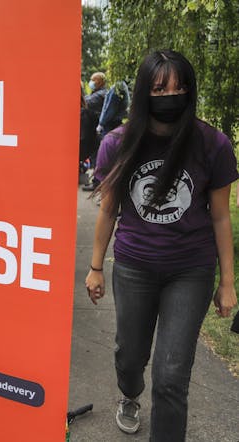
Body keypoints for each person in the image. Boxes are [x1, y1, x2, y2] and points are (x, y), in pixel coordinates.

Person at [85, 50, 238, 441]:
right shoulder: (118, 142)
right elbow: (108, 209)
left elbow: (221, 216)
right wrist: (96, 265)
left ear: (190, 91)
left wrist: (227, 282)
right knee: (130, 356)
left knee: (172, 375)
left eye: (180, 86)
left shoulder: (212, 144)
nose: (171, 94)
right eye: (159, 88)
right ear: (143, 92)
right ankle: (129, 395)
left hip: (191, 269)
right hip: (135, 265)